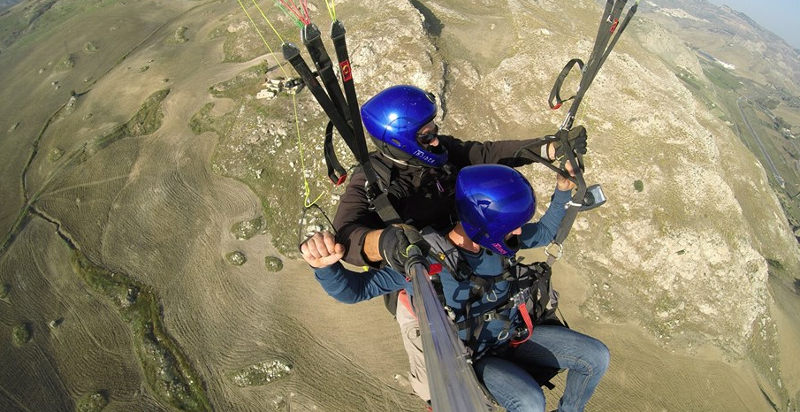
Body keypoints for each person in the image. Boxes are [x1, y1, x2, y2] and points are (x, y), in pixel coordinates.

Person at [331, 84, 589, 401]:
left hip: (471, 244)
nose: (436, 140)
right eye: (426, 136)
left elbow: (485, 153)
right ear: (400, 141)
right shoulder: (373, 182)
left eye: (434, 130)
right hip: (423, 272)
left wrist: (547, 149)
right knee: (440, 379)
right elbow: (346, 233)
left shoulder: (441, 155)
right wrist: (386, 243)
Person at [303, 164, 609, 412]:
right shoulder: (425, 261)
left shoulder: (499, 242)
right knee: (529, 403)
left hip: (515, 335)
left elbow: (543, 231)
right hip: (474, 359)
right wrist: (326, 266)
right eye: (513, 225)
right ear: (484, 223)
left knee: (596, 356)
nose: (518, 231)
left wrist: (562, 190)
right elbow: (354, 291)